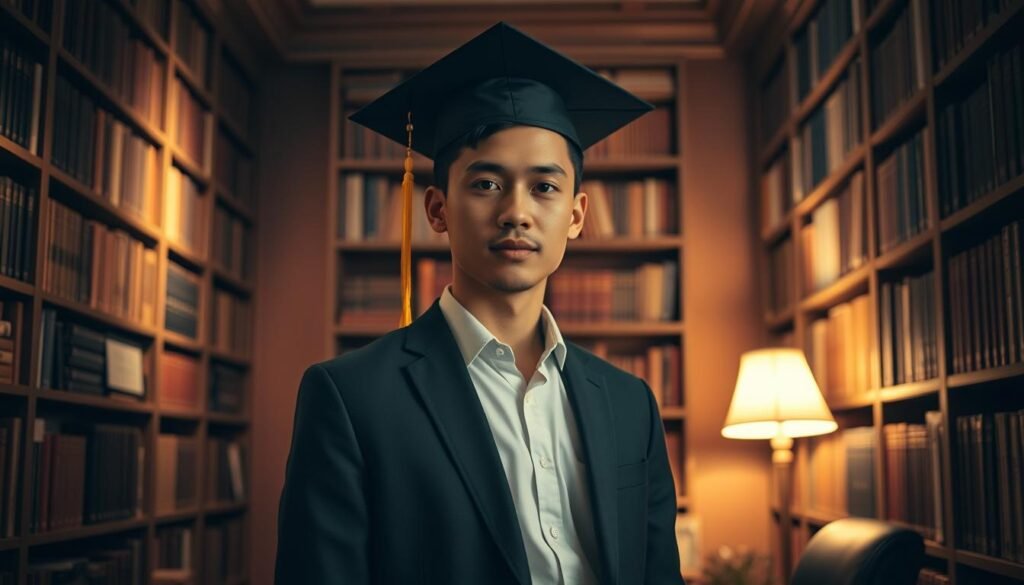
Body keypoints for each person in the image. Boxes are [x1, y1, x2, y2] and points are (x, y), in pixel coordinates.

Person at [274, 21, 686, 585]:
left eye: (544, 187)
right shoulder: (351, 398)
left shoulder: (629, 403)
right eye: (487, 184)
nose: (516, 211)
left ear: (576, 215)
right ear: (437, 210)